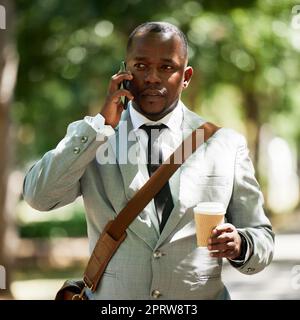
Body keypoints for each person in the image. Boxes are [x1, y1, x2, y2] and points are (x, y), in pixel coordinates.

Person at [23, 21, 274, 300]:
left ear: (186, 76)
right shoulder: (93, 138)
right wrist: (100, 126)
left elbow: (261, 236)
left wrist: (241, 244)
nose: (153, 77)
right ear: (124, 72)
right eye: (141, 66)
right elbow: (38, 197)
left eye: (167, 67)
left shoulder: (224, 144)